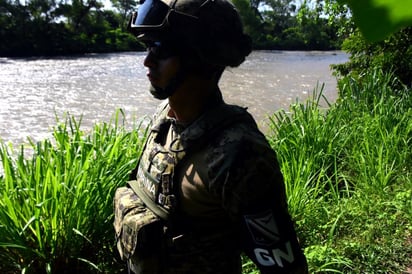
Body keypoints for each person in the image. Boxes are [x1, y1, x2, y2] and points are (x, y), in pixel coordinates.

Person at [113, 0, 308, 273]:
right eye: (148, 47)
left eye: (161, 49)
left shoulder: (239, 154)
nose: (147, 61)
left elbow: (283, 266)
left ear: (200, 57)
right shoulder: (165, 119)